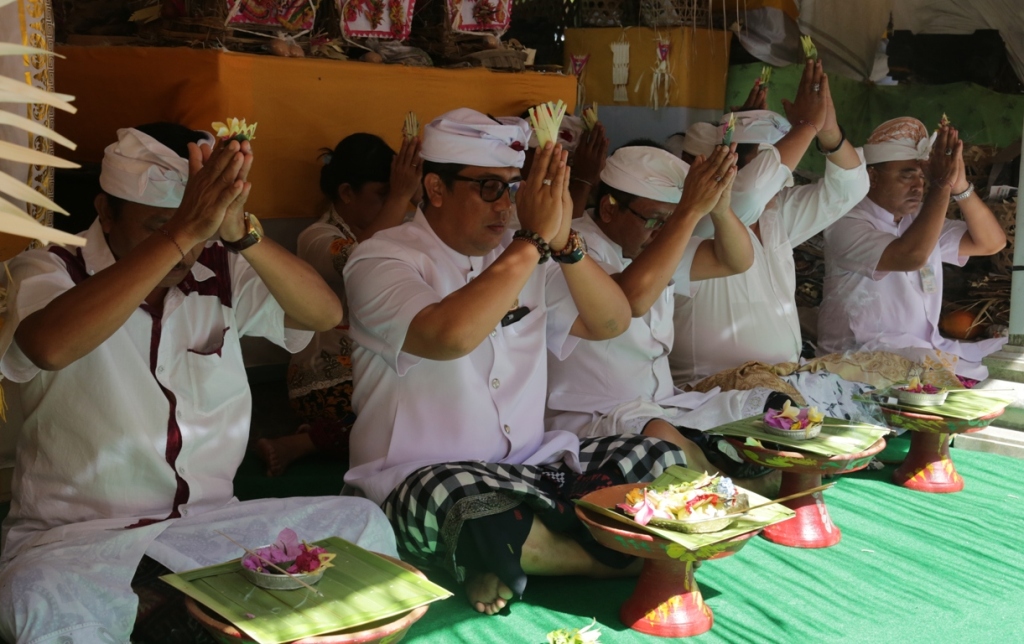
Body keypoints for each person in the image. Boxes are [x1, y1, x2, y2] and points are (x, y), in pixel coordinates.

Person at [0, 123, 398, 643]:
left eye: (198, 230)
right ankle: (195, 616)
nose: (185, 253)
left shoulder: (221, 267)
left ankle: (177, 613)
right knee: (41, 600)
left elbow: (323, 313)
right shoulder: (47, 269)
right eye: (156, 226)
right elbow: (48, 346)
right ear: (104, 211)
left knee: (362, 524)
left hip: (214, 532)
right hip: (78, 543)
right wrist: (184, 230)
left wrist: (239, 233)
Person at [342, 108, 687, 616]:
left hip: (534, 471)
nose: (505, 205)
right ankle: (607, 555)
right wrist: (530, 244)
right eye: (489, 188)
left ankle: (515, 557)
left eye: (513, 187)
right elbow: (448, 335)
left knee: (658, 458)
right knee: (457, 500)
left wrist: (565, 243)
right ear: (435, 188)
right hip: (426, 480)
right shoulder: (380, 258)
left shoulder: (528, 255)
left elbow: (613, 320)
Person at [546, 144, 792, 486]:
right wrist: (686, 214)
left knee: (775, 407)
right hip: (596, 420)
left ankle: (758, 489)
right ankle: (741, 496)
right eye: (655, 221)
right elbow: (631, 299)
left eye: (670, 221)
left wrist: (719, 208)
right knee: (665, 442)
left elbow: (735, 259)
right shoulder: (567, 252)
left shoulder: (652, 245)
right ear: (608, 208)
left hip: (664, 406)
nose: (664, 233)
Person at [667, 59, 876, 420]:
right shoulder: (695, 216)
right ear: (729, 163)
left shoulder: (778, 213)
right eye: (774, 163)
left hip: (782, 386)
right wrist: (807, 125)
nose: (783, 176)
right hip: (713, 394)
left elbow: (853, 185)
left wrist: (828, 131)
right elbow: (745, 197)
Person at [257, 133, 422, 476]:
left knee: (428, 407)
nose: (395, 205)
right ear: (347, 193)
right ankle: (304, 443)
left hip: (374, 372)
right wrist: (403, 194)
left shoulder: (393, 232)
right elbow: (363, 260)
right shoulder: (317, 238)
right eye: (384, 195)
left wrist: (421, 200)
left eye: (395, 196)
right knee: (393, 418)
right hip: (326, 385)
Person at [818, 118, 1008, 380]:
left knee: (1003, 354)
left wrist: (960, 186)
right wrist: (941, 186)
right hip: (858, 359)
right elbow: (912, 256)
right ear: (872, 177)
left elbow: (991, 243)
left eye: (922, 177)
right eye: (907, 175)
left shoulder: (918, 219)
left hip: (922, 353)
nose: (918, 186)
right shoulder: (845, 222)